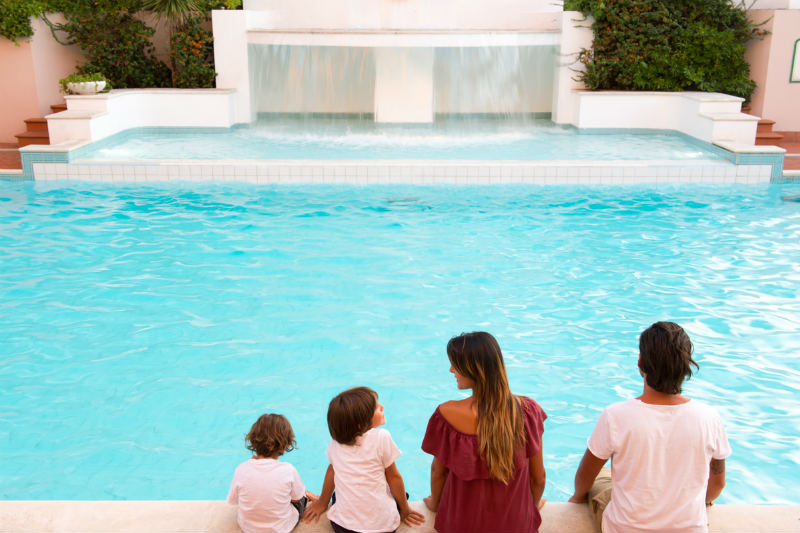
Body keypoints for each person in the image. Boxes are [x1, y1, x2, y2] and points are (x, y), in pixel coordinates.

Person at [568, 321, 731, 533]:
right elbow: (717, 485)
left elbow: (585, 476)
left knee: (602, 475)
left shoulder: (616, 415)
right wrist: (702, 502)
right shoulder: (709, 417)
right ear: (685, 367)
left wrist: (578, 497)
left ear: (640, 362)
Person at [421, 331, 547, 533]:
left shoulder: (446, 414)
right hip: (515, 525)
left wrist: (435, 504)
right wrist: (529, 507)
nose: (451, 370)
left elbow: (438, 473)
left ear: (474, 369)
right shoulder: (528, 412)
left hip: (460, 526)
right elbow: (538, 478)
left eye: (456, 364)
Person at [303, 386, 425, 533]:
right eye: (376, 407)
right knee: (396, 494)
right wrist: (405, 510)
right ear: (360, 424)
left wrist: (323, 502)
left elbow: (332, 470)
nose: (382, 407)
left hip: (343, 527)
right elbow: (393, 477)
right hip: (384, 527)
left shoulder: (336, 442)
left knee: (338, 495)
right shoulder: (381, 437)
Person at [227, 413, 316, 533]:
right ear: (287, 445)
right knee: (301, 498)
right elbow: (296, 499)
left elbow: (234, 500)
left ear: (253, 441)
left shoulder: (241, 469)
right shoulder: (288, 470)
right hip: (281, 528)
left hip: (248, 527)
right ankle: (306, 492)